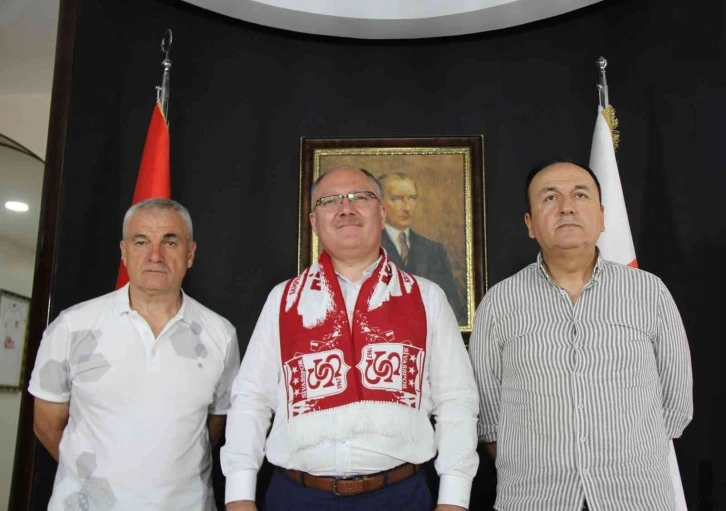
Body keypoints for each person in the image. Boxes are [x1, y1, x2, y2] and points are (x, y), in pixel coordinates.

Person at [222, 167, 479, 511]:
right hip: (297, 497)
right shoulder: (284, 300)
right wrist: (239, 496)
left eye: (361, 197)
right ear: (314, 222)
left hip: (400, 496)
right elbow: (251, 400)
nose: (346, 208)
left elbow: (456, 401)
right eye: (330, 201)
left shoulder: (426, 297)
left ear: (381, 214)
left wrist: (454, 500)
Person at [468, 161, 693, 510]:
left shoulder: (650, 292)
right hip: (535, 500)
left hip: (637, 498)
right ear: (530, 224)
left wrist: (626, 452)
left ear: (602, 217)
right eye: (550, 198)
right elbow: (488, 417)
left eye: (580, 195)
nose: (567, 207)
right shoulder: (499, 303)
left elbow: (676, 403)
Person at [29, 198, 241, 510]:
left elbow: (214, 425)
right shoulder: (72, 326)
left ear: (190, 253)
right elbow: (46, 425)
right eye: (141, 242)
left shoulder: (220, 334)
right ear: (124, 252)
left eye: (170, 241)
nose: (155, 255)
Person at [378, 172, 466, 324]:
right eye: (397, 199)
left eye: (412, 198)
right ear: (380, 204)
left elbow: (452, 307)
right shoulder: (368, 247)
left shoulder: (433, 250)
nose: (407, 207)